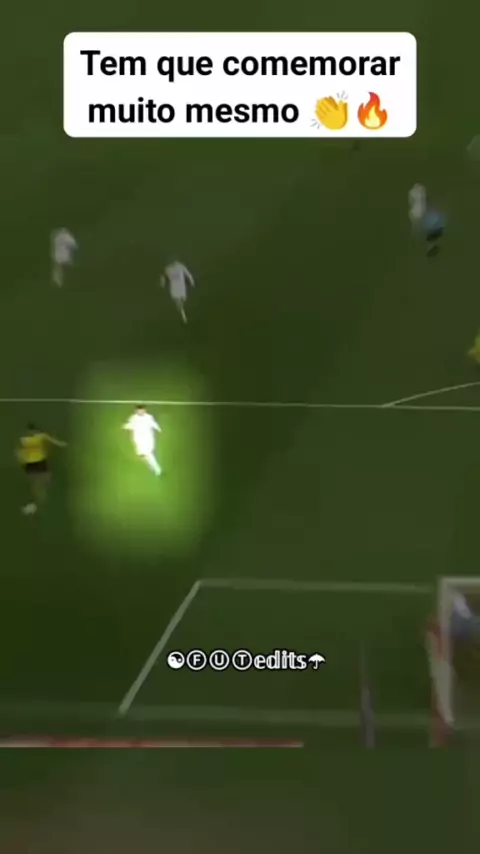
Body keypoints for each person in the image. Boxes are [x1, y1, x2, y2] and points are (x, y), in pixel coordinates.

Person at [17, 424, 67, 514]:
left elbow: (52, 440)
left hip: (38, 463)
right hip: (32, 464)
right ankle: (35, 504)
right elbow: (20, 451)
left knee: (43, 483)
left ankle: (37, 503)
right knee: (37, 485)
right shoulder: (26, 439)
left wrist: (61, 444)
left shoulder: (38, 437)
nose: (31, 433)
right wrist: (21, 457)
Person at [123, 405, 162, 476]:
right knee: (141, 455)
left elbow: (153, 424)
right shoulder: (133, 418)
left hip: (148, 439)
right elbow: (130, 425)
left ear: (145, 411)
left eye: (142, 411)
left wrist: (158, 428)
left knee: (148, 453)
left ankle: (157, 469)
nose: (140, 412)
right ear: (136, 411)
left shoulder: (149, 417)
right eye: (139, 411)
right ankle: (150, 464)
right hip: (138, 439)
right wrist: (125, 426)